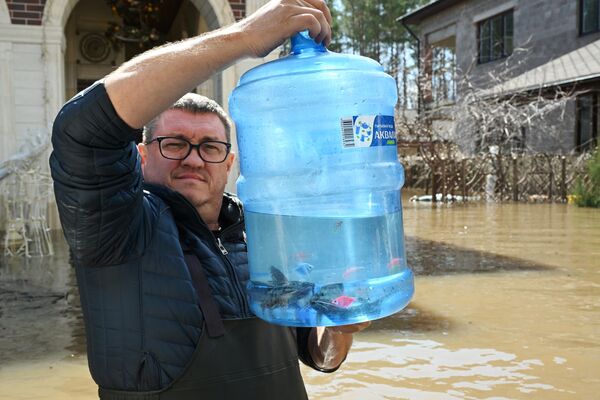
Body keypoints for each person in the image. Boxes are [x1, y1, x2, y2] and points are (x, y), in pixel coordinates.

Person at [50, 0, 369, 399]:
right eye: (175, 144)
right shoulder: (117, 228)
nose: (194, 159)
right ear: (142, 155)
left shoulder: (269, 234)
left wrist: (340, 330)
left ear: (230, 161)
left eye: (210, 147)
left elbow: (318, 356)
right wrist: (244, 37)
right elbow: (80, 130)